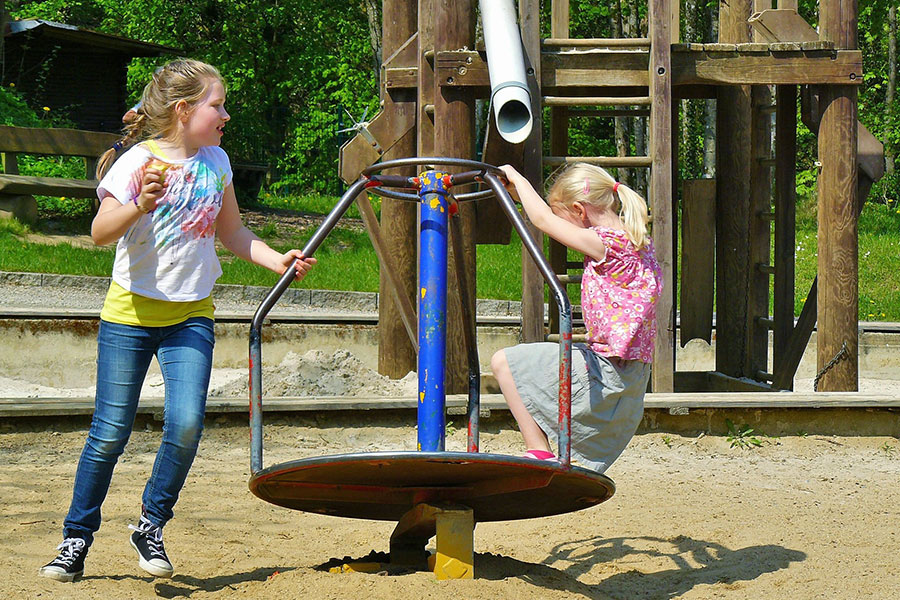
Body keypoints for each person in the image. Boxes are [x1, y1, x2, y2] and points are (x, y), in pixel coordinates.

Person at [39, 58, 316, 583]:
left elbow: (232, 234)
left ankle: (150, 523)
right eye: (218, 105)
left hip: (191, 315)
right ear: (185, 109)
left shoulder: (217, 162)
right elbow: (100, 232)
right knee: (109, 433)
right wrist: (139, 204)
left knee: (187, 423)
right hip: (129, 314)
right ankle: (75, 537)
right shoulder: (136, 162)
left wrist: (276, 258)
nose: (226, 114)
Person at [492, 163, 662, 472]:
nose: (563, 229)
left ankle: (538, 450)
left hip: (607, 371)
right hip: (633, 375)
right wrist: (518, 193)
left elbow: (541, 219)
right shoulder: (637, 242)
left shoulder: (606, 244)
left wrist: (518, 176)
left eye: (564, 219)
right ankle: (549, 455)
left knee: (503, 363)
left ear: (578, 210)